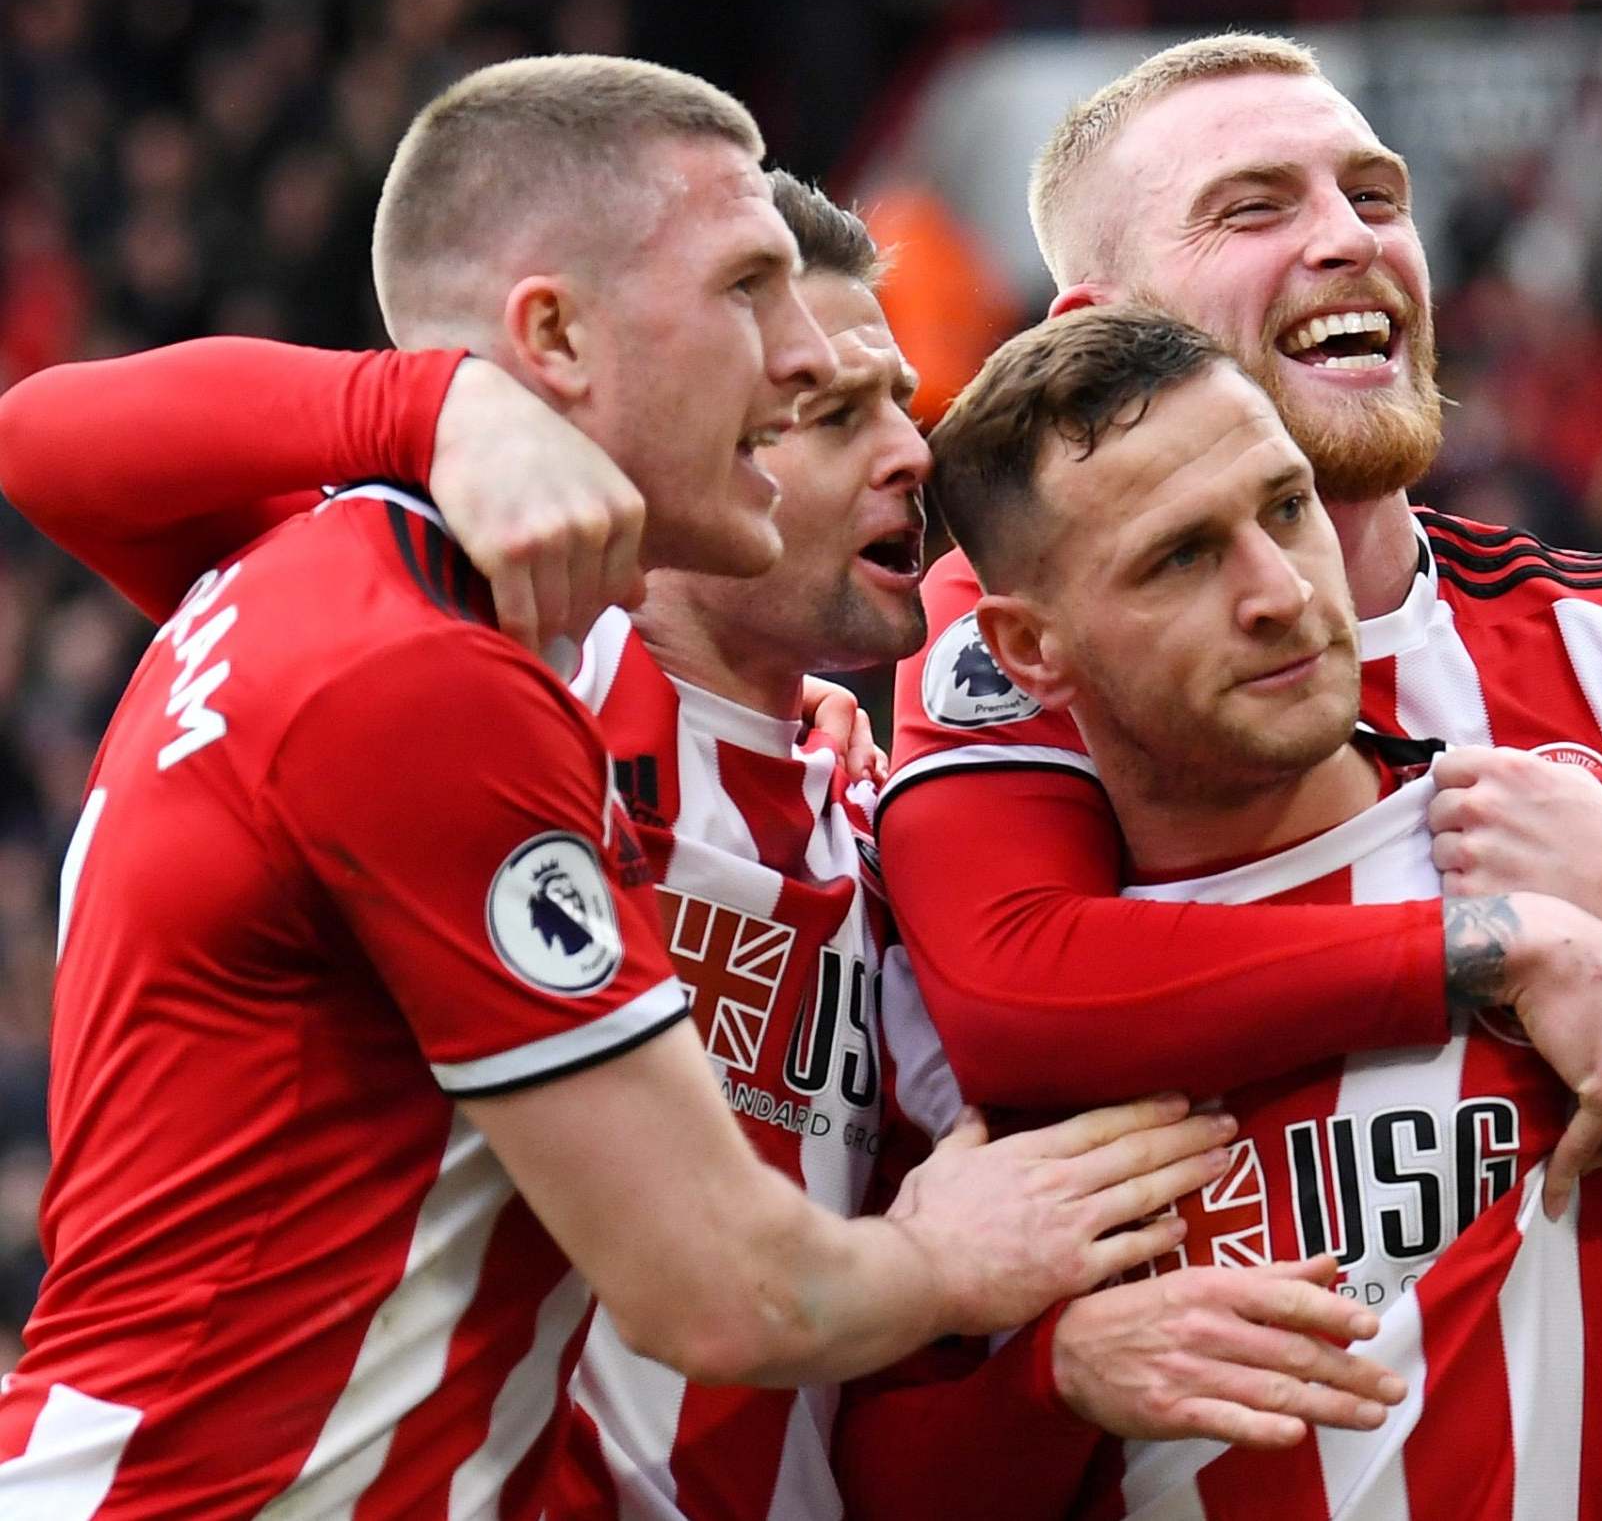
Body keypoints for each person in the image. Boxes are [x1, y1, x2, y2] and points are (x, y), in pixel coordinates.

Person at [0, 171, 1402, 1518]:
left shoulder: (877, 837)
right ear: (690, 429)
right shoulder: (493, 688)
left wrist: (1047, 1367)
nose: (911, 453)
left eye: (901, 405)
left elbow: (901, 1370)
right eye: (834, 411)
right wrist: (438, 409)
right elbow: (50, 444)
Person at [878, 32, 1602, 1225]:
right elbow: (1009, 993)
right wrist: (1500, 944)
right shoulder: (1013, 627)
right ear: (1102, 331)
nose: (1349, 236)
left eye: (1374, 196)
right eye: (1252, 210)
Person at [839, 304, 1602, 1521]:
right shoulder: (947, 985)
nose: (1276, 592)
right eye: (1180, 557)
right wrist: (1057, 1386)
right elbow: (881, 1489)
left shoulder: (1580, 856)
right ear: (1027, 651)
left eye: (1285, 507)